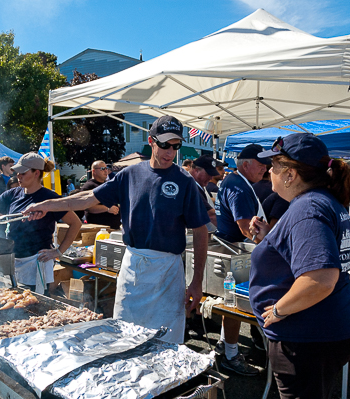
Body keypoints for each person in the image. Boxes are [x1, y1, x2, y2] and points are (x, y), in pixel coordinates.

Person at [23, 115, 209, 344]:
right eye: (164, 145)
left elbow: (201, 231)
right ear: (151, 141)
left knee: (166, 342)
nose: (169, 152)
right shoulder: (129, 175)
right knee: (125, 336)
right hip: (134, 269)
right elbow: (86, 198)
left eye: (175, 146)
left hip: (167, 273)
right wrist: (47, 205)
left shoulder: (184, 181)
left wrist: (197, 280)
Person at [248, 133, 350, 398]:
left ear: (290, 175)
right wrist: (271, 237)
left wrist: (278, 310)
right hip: (327, 327)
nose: (270, 171)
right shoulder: (320, 201)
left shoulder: (308, 208)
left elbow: (320, 279)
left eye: (275, 165)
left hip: (308, 337)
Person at [0, 152, 82, 294]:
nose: (18, 176)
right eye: (17, 172)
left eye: (23, 173)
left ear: (36, 173)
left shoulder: (49, 198)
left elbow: (76, 223)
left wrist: (58, 251)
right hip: (13, 258)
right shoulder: (13, 193)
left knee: (35, 303)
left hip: (36, 261)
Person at [213, 143, 270, 375]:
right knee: (234, 304)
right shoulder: (238, 186)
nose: (265, 169)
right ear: (245, 164)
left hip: (230, 248)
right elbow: (247, 228)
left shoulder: (233, 181)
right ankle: (231, 354)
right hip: (235, 252)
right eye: (261, 164)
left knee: (230, 304)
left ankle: (226, 346)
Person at [81, 160, 121, 229]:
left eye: (107, 168)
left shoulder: (108, 185)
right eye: (102, 169)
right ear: (94, 171)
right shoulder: (89, 186)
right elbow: (87, 207)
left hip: (114, 227)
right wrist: (107, 209)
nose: (106, 171)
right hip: (98, 228)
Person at [189, 155, 220, 227]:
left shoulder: (197, 185)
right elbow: (211, 215)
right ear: (196, 170)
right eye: (208, 174)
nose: (211, 177)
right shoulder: (191, 187)